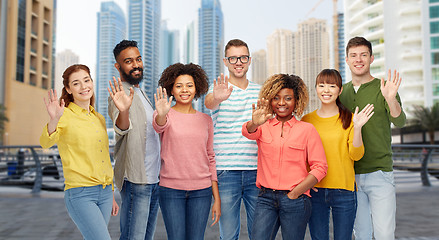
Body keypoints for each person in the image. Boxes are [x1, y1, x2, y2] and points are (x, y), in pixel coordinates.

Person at [242, 74, 328, 240]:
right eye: (276, 98)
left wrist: (296, 192)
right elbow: (247, 132)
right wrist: (254, 122)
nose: (281, 103)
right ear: (270, 100)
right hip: (265, 199)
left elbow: (320, 167)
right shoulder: (262, 126)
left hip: (295, 200)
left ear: (296, 101)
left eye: (288, 98)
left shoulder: (307, 130)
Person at [40, 64, 119, 240]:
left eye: (86, 80)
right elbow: (45, 142)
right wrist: (54, 120)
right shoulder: (64, 115)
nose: (84, 87)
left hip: (105, 192)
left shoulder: (98, 118)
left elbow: (103, 158)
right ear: (68, 89)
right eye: (76, 83)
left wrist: (111, 193)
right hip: (81, 193)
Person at [340, 36, 406, 240]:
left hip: (380, 173)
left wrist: (390, 98)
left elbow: (400, 121)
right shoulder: (342, 93)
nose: (358, 59)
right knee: (361, 234)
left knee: (385, 234)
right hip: (351, 176)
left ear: (371, 58)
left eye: (363, 55)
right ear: (347, 60)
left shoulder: (385, 88)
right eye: (353, 55)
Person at [302, 69, 374, 240]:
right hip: (315, 191)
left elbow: (356, 155)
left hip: (344, 190)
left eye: (332, 86)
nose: (326, 90)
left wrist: (357, 128)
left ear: (340, 90)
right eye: (322, 85)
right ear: (316, 88)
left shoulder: (350, 119)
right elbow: (301, 158)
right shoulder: (306, 121)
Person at [152, 63, 221, 240]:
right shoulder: (163, 114)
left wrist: (216, 198)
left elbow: (210, 157)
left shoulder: (206, 120)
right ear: (171, 90)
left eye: (189, 85)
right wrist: (161, 114)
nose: (185, 90)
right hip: (171, 190)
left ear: (196, 88)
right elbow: (159, 126)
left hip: (202, 191)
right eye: (179, 85)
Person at [204, 39, 260, 240]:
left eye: (243, 57)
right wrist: (218, 97)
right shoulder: (218, 90)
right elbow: (209, 103)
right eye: (233, 58)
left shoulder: (260, 91)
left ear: (249, 60)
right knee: (228, 235)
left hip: (257, 171)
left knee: (260, 233)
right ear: (226, 62)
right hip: (226, 171)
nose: (238, 62)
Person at [107, 40, 161, 240]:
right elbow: (121, 128)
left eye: (138, 59)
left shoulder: (140, 92)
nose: (136, 64)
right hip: (136, 180)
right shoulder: (118, 93)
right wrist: (124, 110)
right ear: (118, 66)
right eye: (128, 61)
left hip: (153, 179)